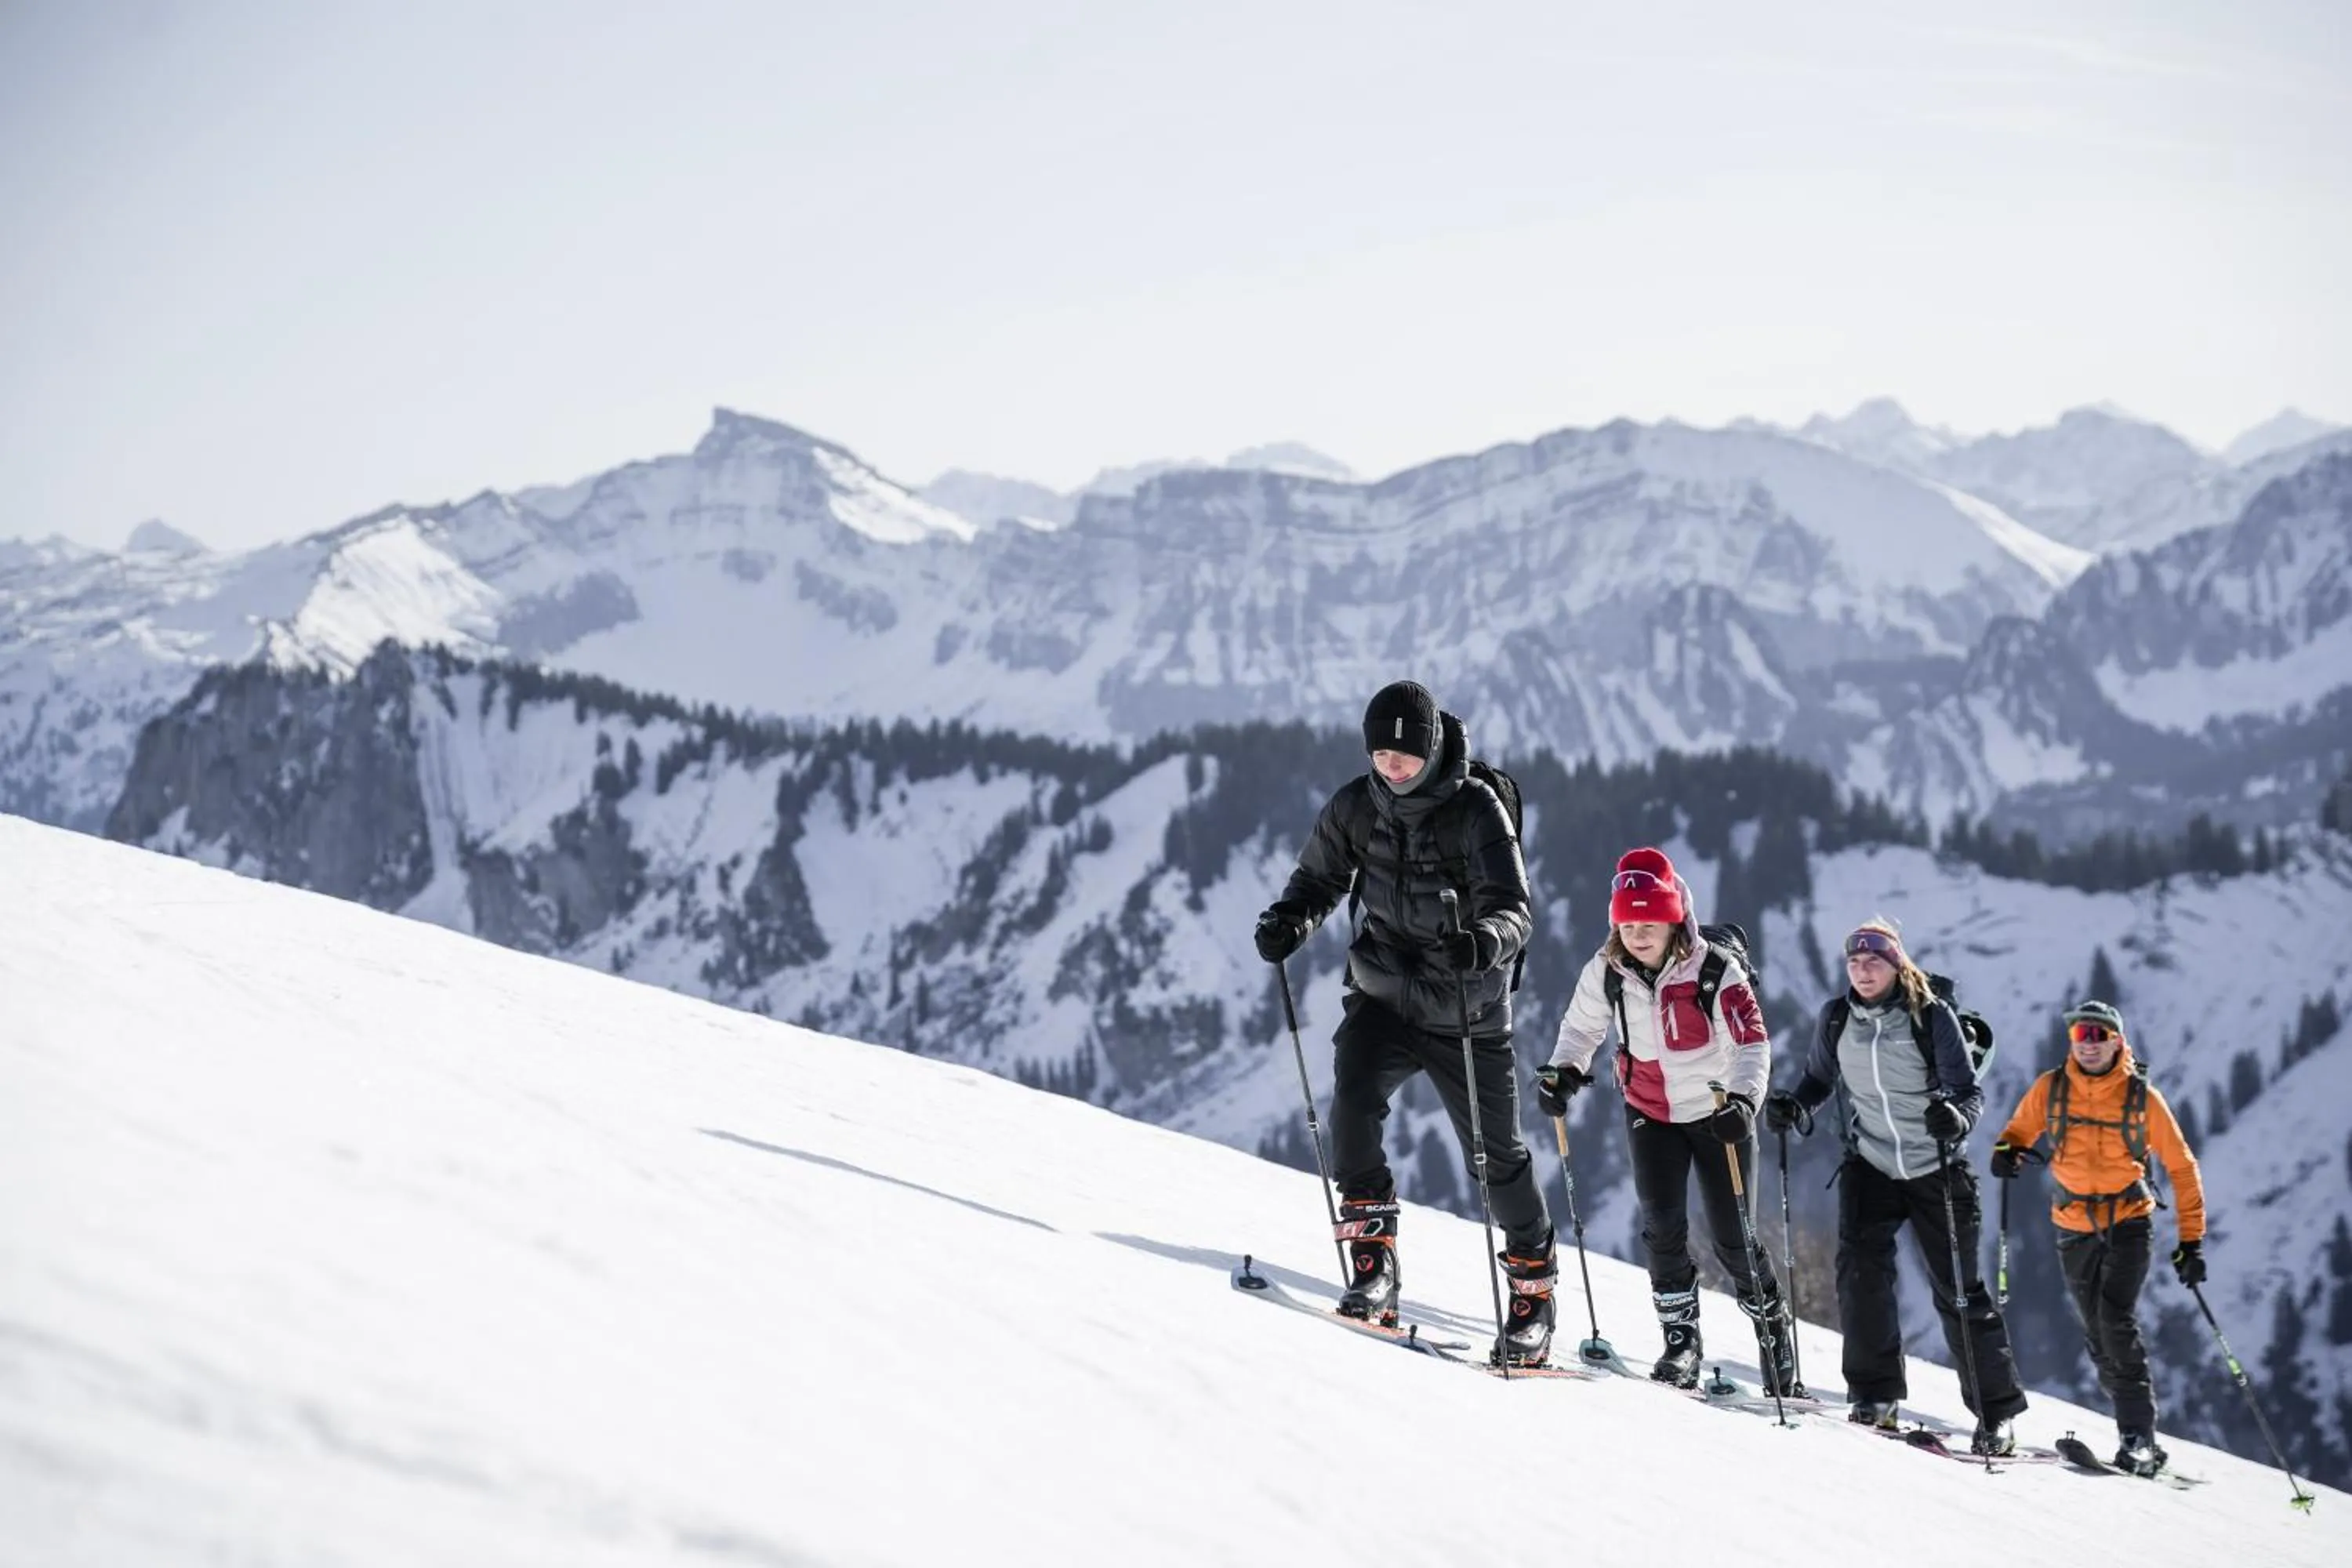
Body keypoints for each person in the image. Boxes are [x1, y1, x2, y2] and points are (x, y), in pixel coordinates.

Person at [1251, 680, 1555, 1365]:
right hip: (1383, 995)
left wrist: (1481, 941)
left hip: (1464, 1008)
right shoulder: (1358, 804)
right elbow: (1318, 878)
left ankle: (1533, 1295)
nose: (1391, 766)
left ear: (1431, 751)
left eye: (1403, 757)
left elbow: (1515, 908)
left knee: (1496, 1156)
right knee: (1352, 1106)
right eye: (1380, 754)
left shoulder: (1476, 809)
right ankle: (1373, 1264)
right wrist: (1290, 920)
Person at [1538, 848, 1798, 1396]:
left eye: (1648, 922)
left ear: (1674, 918)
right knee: (1662, 1228)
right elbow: (1581, 1028)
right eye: (1627, 922)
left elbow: (1752, 1044)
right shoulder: (1606, 970)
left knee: (1733, 1238)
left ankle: (1773, 1332)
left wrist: (1743, 1103)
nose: (1637, 933)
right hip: (1650, 1112)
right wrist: (1565, 1072)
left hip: (1717, 1116)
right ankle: (1681, 1345)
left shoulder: (1714, 971)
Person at [1763, 918, 2029, 1454]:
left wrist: (1956, 1117)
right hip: (1872, 1163)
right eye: (1854, 963)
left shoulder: (1932, 1017)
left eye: (1874, 962)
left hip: (1938, 1167)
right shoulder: (1836, 1018)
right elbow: (1819, 1079)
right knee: (1860, 1276)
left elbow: (1968, 1093)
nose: (1862, 972)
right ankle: (1874, 1395)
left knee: (1958, 1291)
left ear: (1896, 965)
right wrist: (1794, 1103)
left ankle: (1996, 1415)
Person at [1990, 999, 2207, 1477]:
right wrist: (2006, 1152)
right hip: (2072, 1225)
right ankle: (2136, 1434)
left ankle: (2139, 1437)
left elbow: (2182, 1168)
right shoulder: (2052, 1089)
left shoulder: (2141, 1098)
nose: (2087, 1044)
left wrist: (2191, 1242)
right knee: (2097, 1332)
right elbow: (2016, 1134)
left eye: (2097, 1035)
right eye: (2080, 1035)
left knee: (2115, 1319)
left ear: (2117, 1040)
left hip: (2129, 1221)